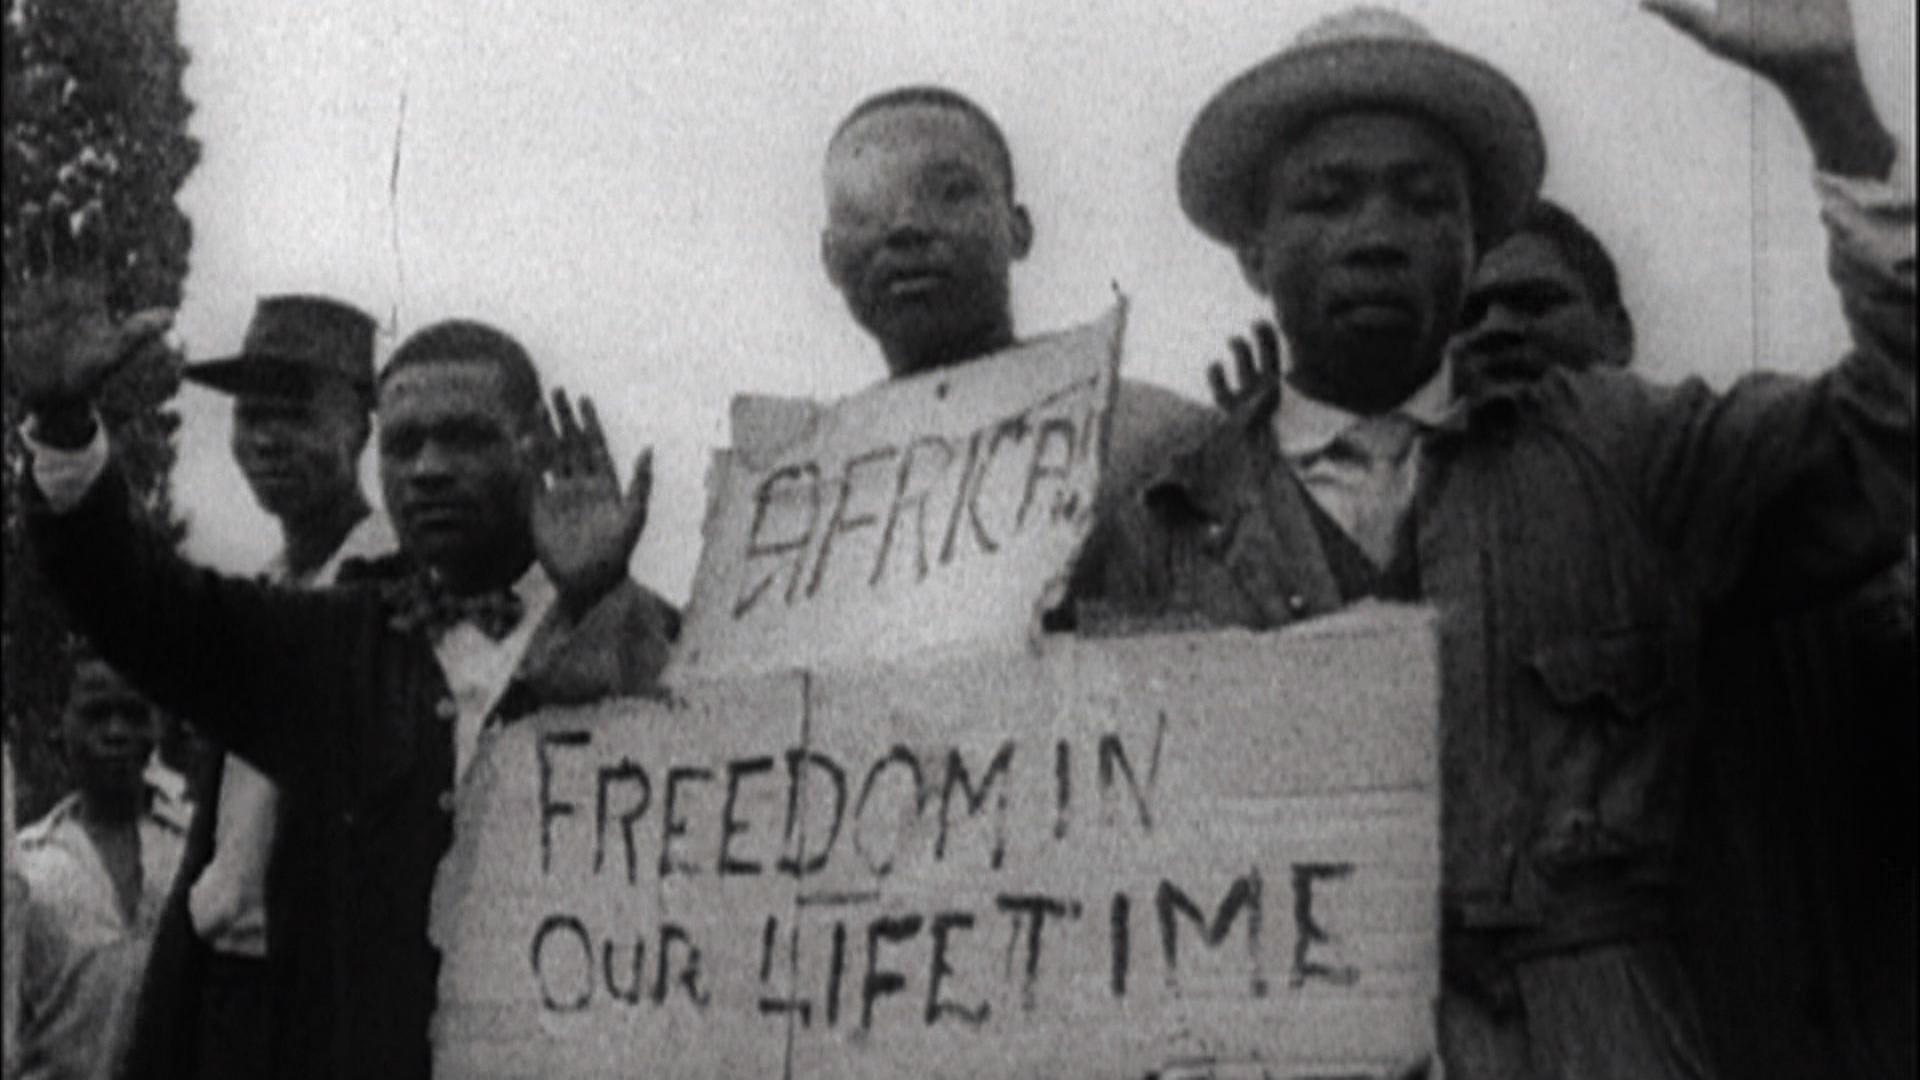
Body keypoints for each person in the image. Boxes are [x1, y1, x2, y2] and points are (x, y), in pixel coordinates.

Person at [1086, 2, 1912, 1076]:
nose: (1376, 231)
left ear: (1471, 241)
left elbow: (1889, 431)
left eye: (1425, 199)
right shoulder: (1153, 522)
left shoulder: (1626, 452)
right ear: (1253, 252)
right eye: (1327, 198)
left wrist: (1830, 98)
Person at [11, 294, 681, 1080]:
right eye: (405, 445)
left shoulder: (653, 632)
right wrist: (62, 422)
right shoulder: (330, 644)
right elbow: (142, 606)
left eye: (464, 437)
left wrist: (597, 604)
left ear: (535, 446)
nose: (428, 468)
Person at [819, 85, 1215, 623]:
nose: (905, 225)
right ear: (830, 258)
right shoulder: (804, 500)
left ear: (1019, 230)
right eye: (864, 206)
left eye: (951, 192)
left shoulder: (1151, 438)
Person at [125, 296, 396, 1080]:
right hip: (226, 1006)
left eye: (298, 415)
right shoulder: (265, 596)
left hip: (331, 1010)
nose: (268, 440)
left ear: (359, 430)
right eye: (251, 418)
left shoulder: (401, 593)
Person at [14, 649, 189, 1080]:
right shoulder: (28, 868)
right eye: (96, 714)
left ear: (158, 724)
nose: (115, 732)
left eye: (133, 714)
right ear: (62, 724)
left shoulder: (194, 853)